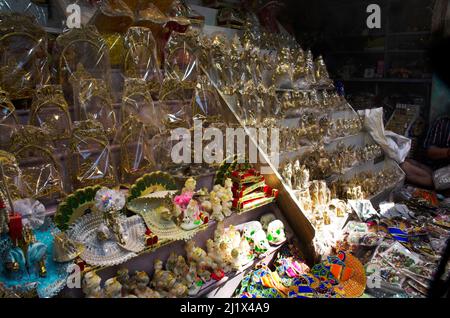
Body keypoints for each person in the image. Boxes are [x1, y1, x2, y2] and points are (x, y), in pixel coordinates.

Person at [400, 116, 450, 194]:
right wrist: (447, 152)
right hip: (435, 171)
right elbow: (429, 151)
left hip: (442, 181)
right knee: (404, 164)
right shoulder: (442, 123)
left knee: (406, 169)